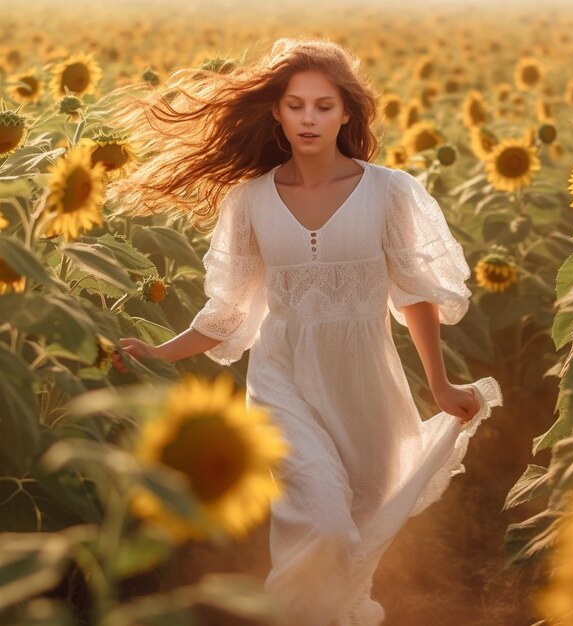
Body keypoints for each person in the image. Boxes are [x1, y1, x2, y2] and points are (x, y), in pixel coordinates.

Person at [109, 37, 503, 626]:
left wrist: (441, 389)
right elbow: (229, 311)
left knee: (354, 529)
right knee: (319, 521)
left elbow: (415, 296)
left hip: (365, 387)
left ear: (347, 112)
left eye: (323, 105)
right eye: (296, 105)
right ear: (276, 111)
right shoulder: (250, 202)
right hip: (281, 382)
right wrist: (162, 351)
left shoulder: (389, 192)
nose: (309, 119)